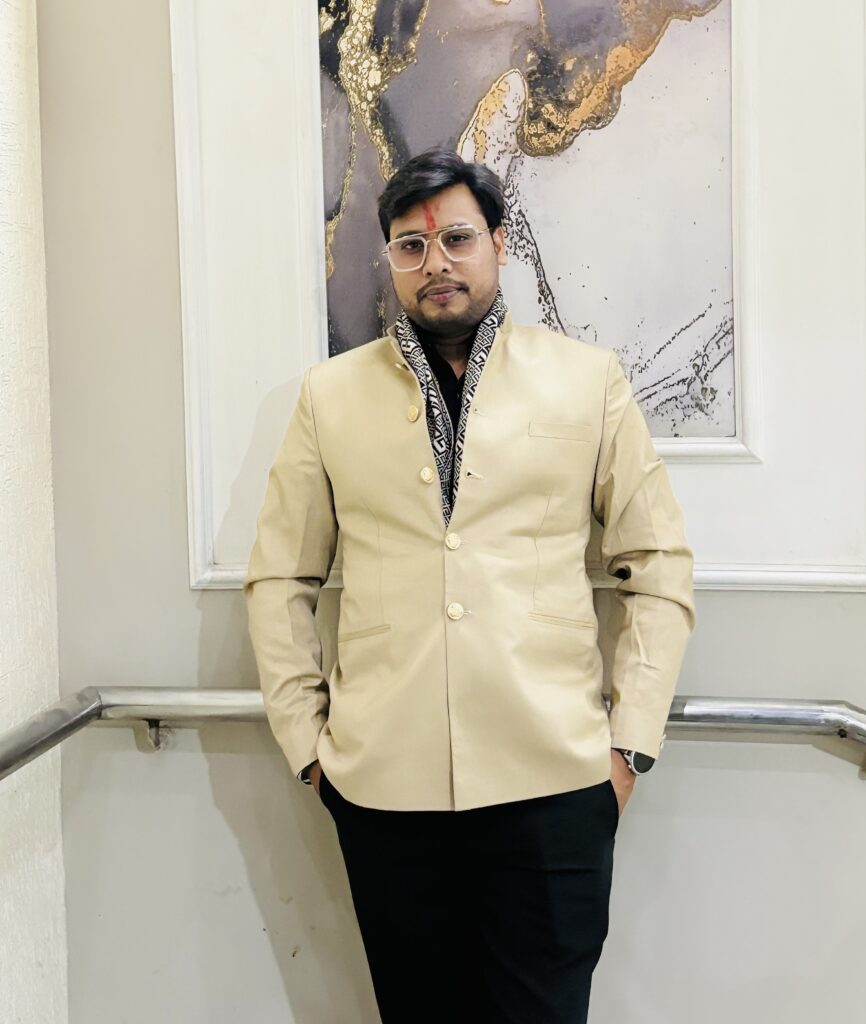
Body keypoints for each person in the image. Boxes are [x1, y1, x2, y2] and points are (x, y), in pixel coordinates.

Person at [244, 147, 696, 1024]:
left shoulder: (586, 381)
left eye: (457, 238)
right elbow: (281, 575)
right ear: (391, 258)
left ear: (498, 241)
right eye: (411, 246)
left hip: (555, 781)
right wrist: (309, 748)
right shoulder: (330, 396)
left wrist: (630, 746)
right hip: (385, 788)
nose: (436, 263)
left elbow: (657, 563)